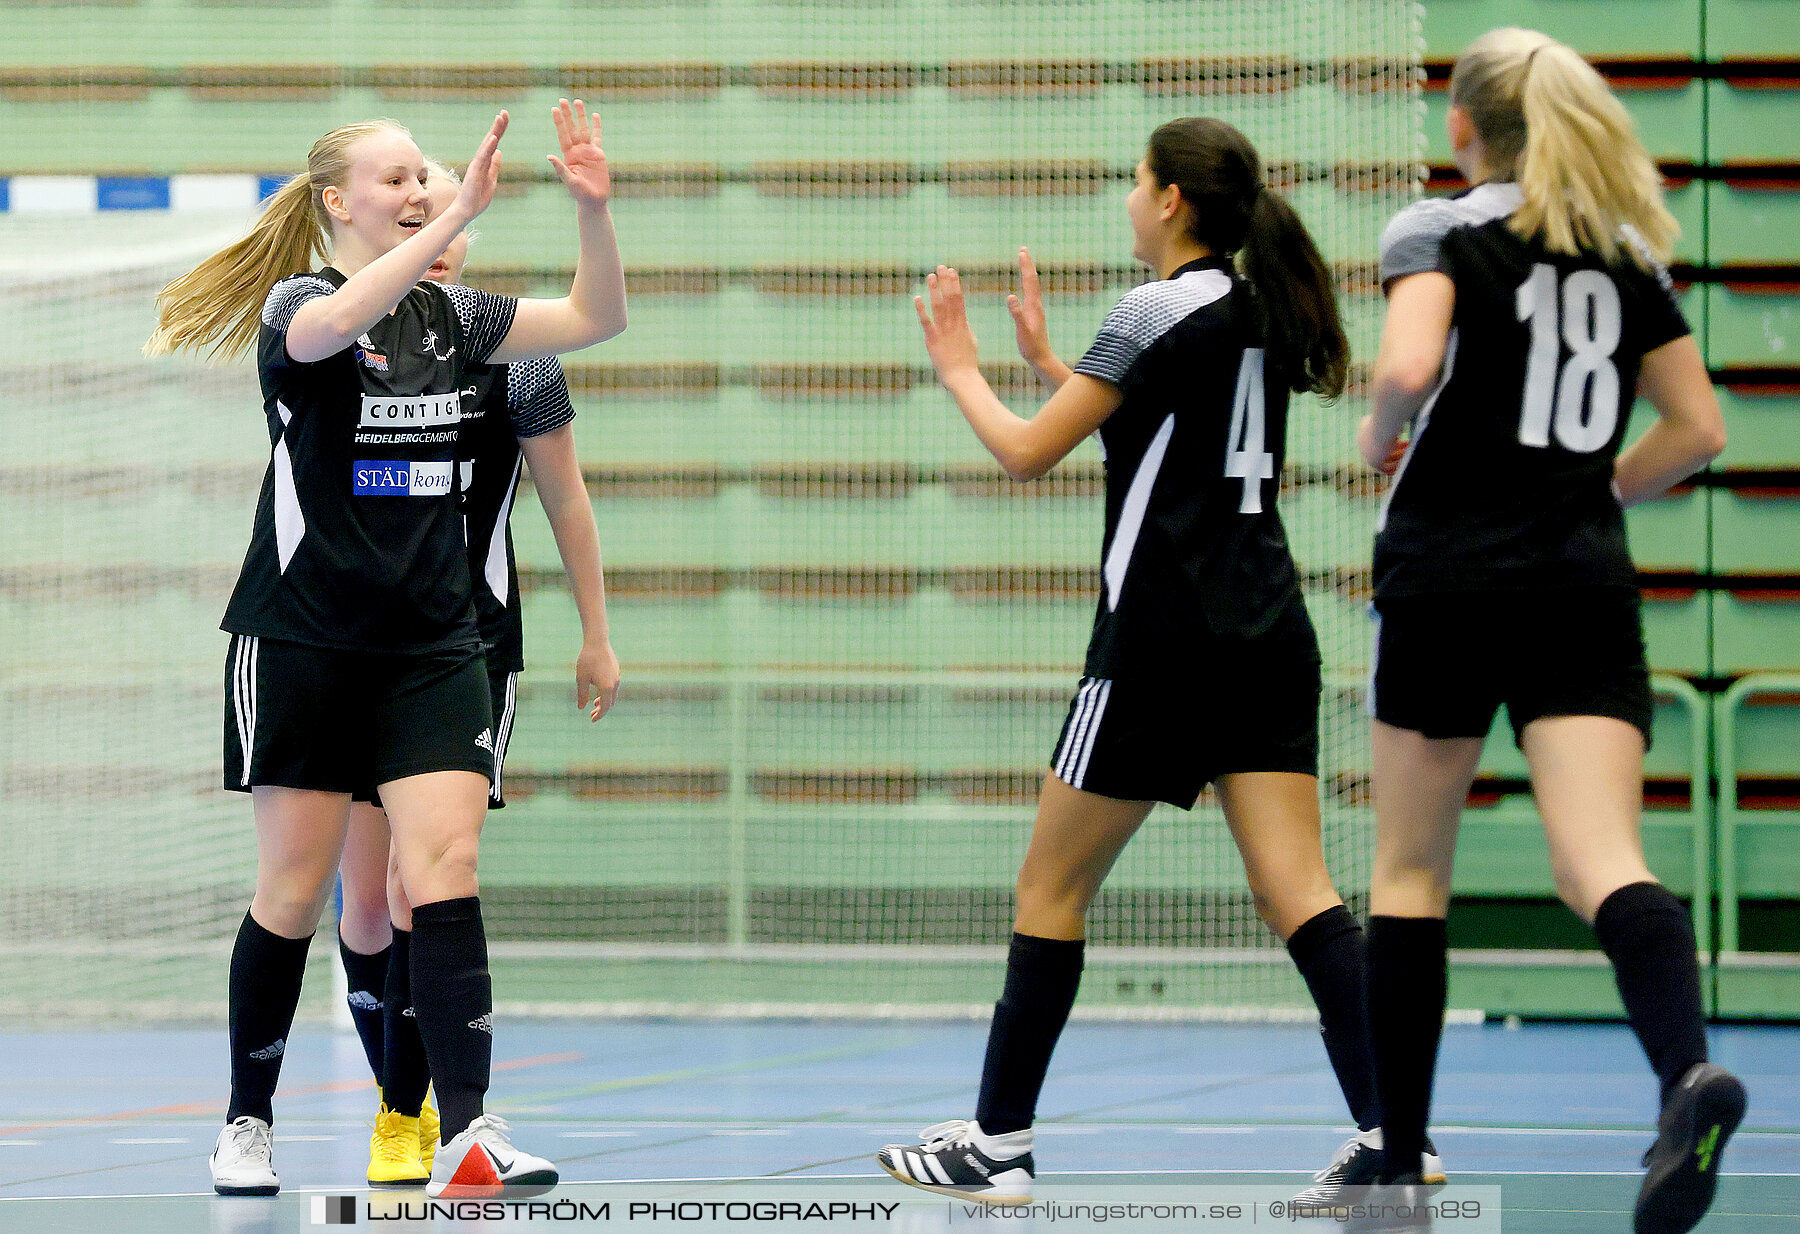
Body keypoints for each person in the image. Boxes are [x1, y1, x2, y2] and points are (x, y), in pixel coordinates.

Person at [877, 117, 1425, 1204]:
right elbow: (1158, 433)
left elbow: (1028, 450)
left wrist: (960, 368)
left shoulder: (1150, 308)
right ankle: (1395, 1131)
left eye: (1136, 182)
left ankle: (996, 1143)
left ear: (1172, 198)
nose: (1128, 199)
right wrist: (1049, 362)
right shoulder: (1259, 304)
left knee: (1050, 886)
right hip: (1267, 633)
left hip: (1159, 645)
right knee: (1303, 893)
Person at [144, 99, 627, 1199]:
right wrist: (450, 215)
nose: (418, 190)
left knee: (442, 870)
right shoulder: (302, 302)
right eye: (398, 177)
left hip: (434, 647)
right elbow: (324, 333)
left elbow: (596, 317)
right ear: (336, 204)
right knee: (297, 891)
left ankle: (467, 1127)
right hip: (304, 641)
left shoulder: (466, 325)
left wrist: (596, 215)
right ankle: (248, 1119)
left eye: (427, 177)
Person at [1358, 28, 1741, 1234]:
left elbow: (1412, 363)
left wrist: (1379, 435)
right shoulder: (1623, 247)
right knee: (1601, 861)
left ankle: (1401, 1154)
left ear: (1462, 126)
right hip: (1580, 580)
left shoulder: (1438, 228)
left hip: (1446, 579)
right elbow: (1700, 428)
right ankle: (1686, 1072)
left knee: (1411, 872)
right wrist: (1596, 492)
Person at [338, 161, 622, 1188]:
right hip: (353, 649)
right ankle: (396, 1102)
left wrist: (597, 631)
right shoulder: (344, 338)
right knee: (366, 904)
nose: (433, 227)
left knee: (431, 876)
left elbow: (568, 499)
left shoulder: (515, 354)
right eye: (415, 210)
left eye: (449, 213)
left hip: (469, 648)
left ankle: (443, 1115)